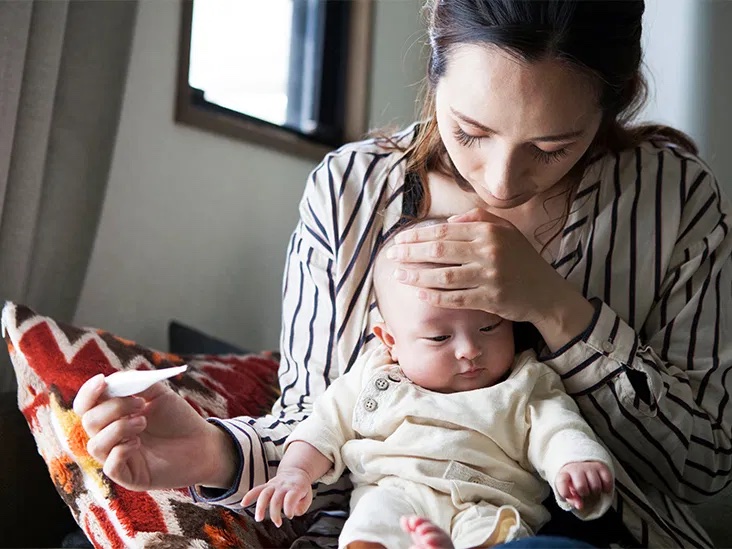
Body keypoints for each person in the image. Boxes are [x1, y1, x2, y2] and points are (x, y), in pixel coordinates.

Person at [73, 1, 732, 547]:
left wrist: (557, 309)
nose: (500, 180)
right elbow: (319, 429)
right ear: (435, 54)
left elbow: (704, 466)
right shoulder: (349, 193)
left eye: (554, 146)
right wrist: (207, 453)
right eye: (471, 131)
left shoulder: (674, 202)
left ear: (612, 106)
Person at [239, 219, 616, 549]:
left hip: (489, 503)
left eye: (490, 327)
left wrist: (576, 464)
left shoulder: (525, 381)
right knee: (372, 522)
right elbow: (322, 425)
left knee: (500, 535)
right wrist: (294, 472)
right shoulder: (374, 376)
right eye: (439, 338)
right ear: (390, 341)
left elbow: (559, 429)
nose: (470, 350)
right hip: (396, 492)